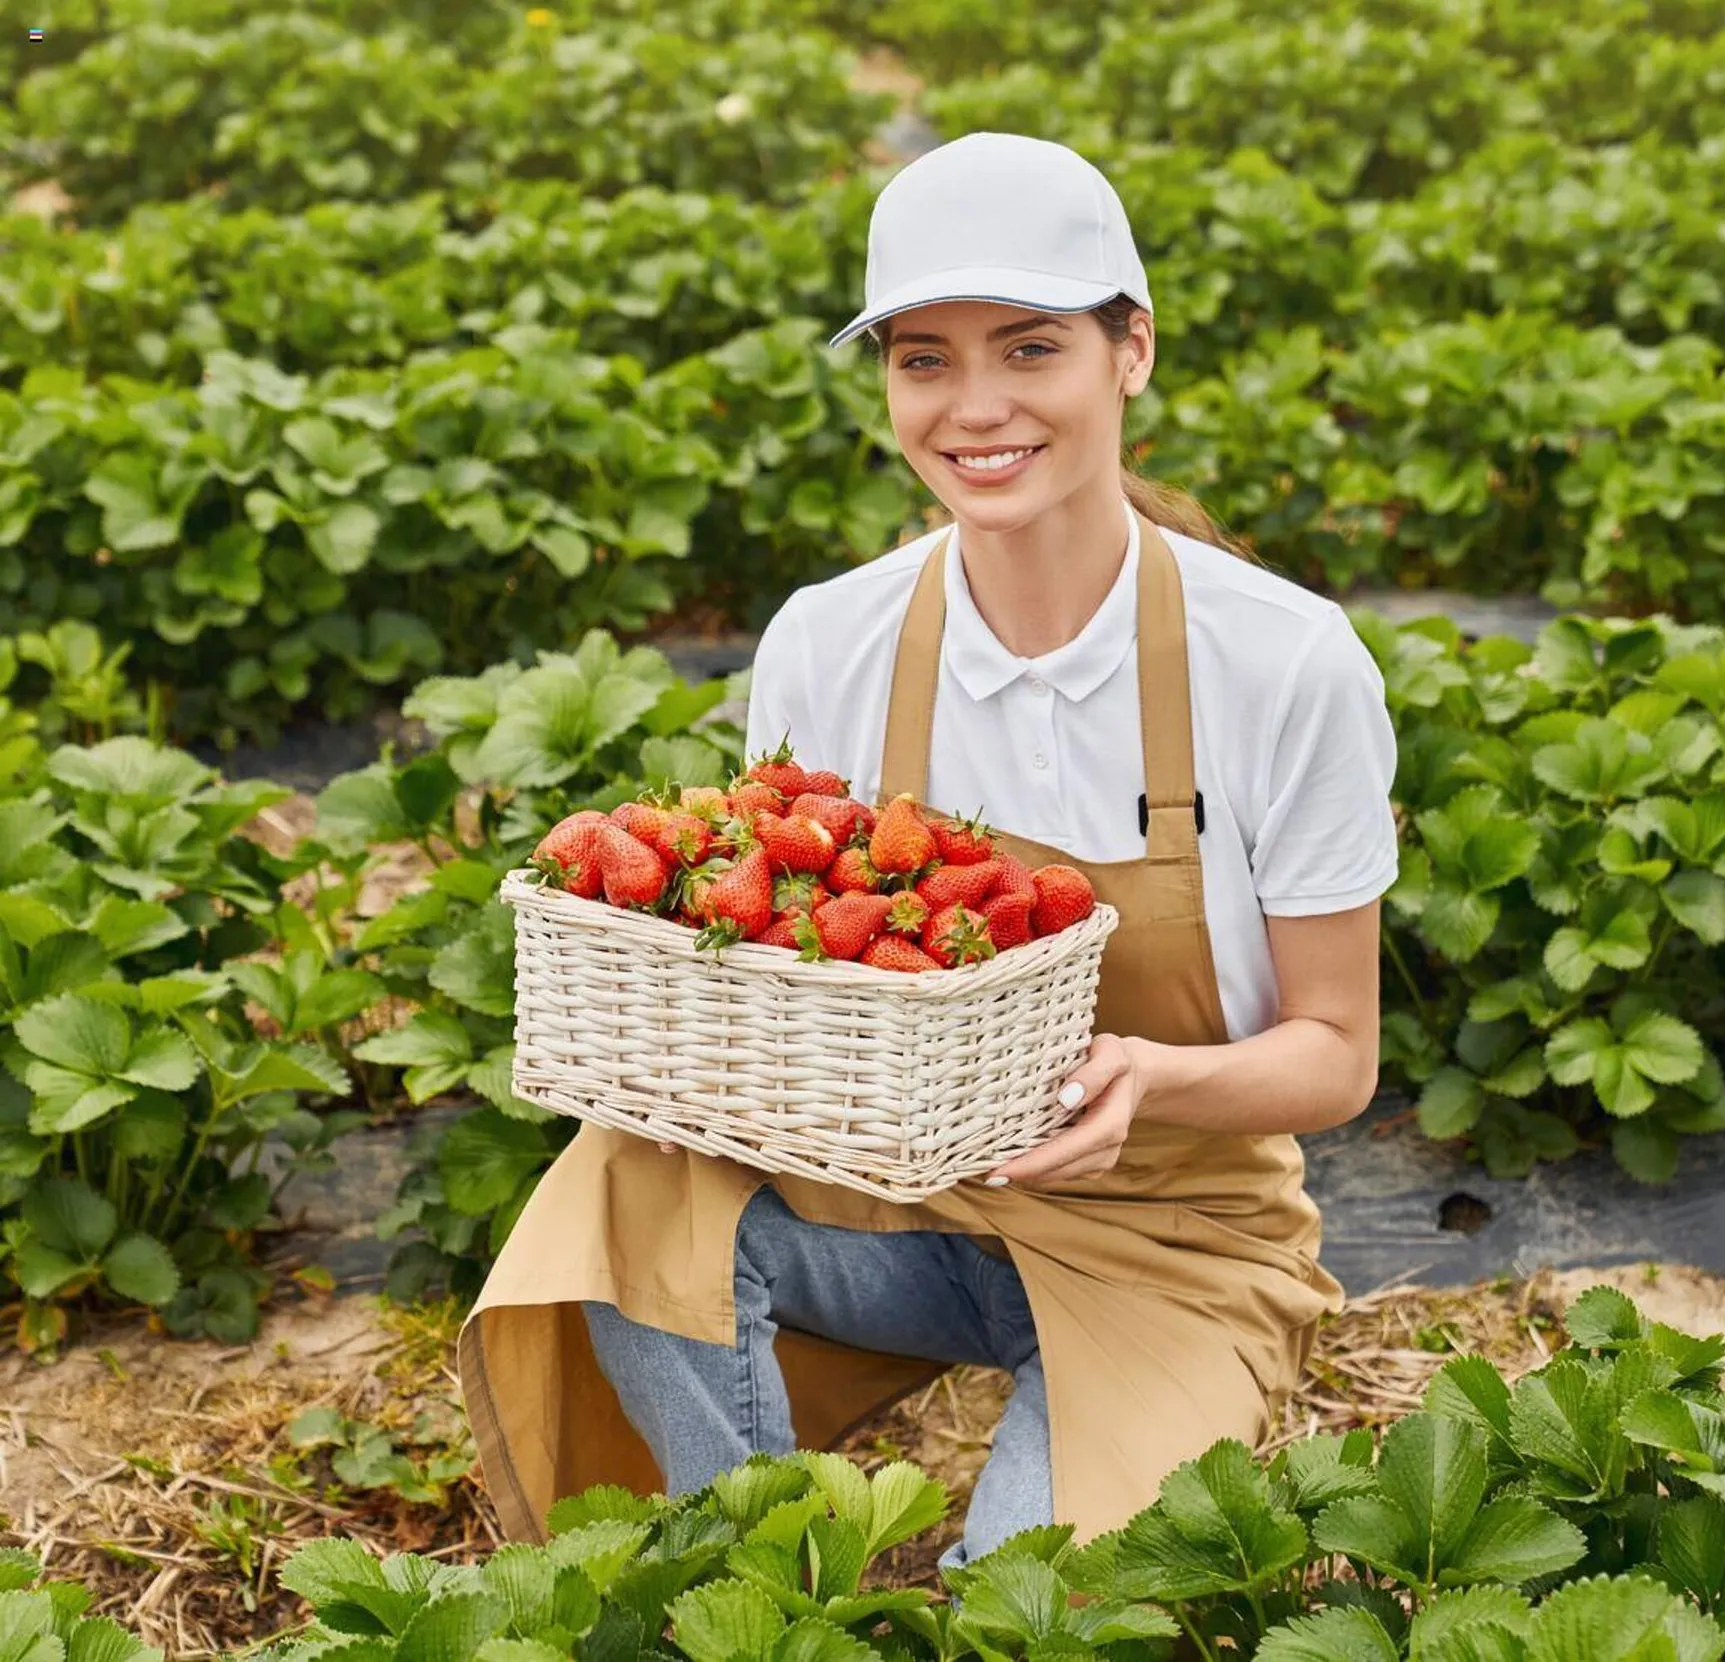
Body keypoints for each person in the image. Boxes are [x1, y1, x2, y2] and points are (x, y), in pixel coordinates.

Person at [456, 131, 1400, 1576]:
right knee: (617, 1180)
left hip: (1174, 1238)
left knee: (1021, 1605)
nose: (976, 409)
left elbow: (1336, 1054)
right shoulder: (829, 642)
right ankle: (753, 1570)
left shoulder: (1280, 663)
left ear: (1130, 350)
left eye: (1029, 349)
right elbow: (779, 982)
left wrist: (1152, 1078)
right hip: (894, 1205)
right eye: (923, 360)